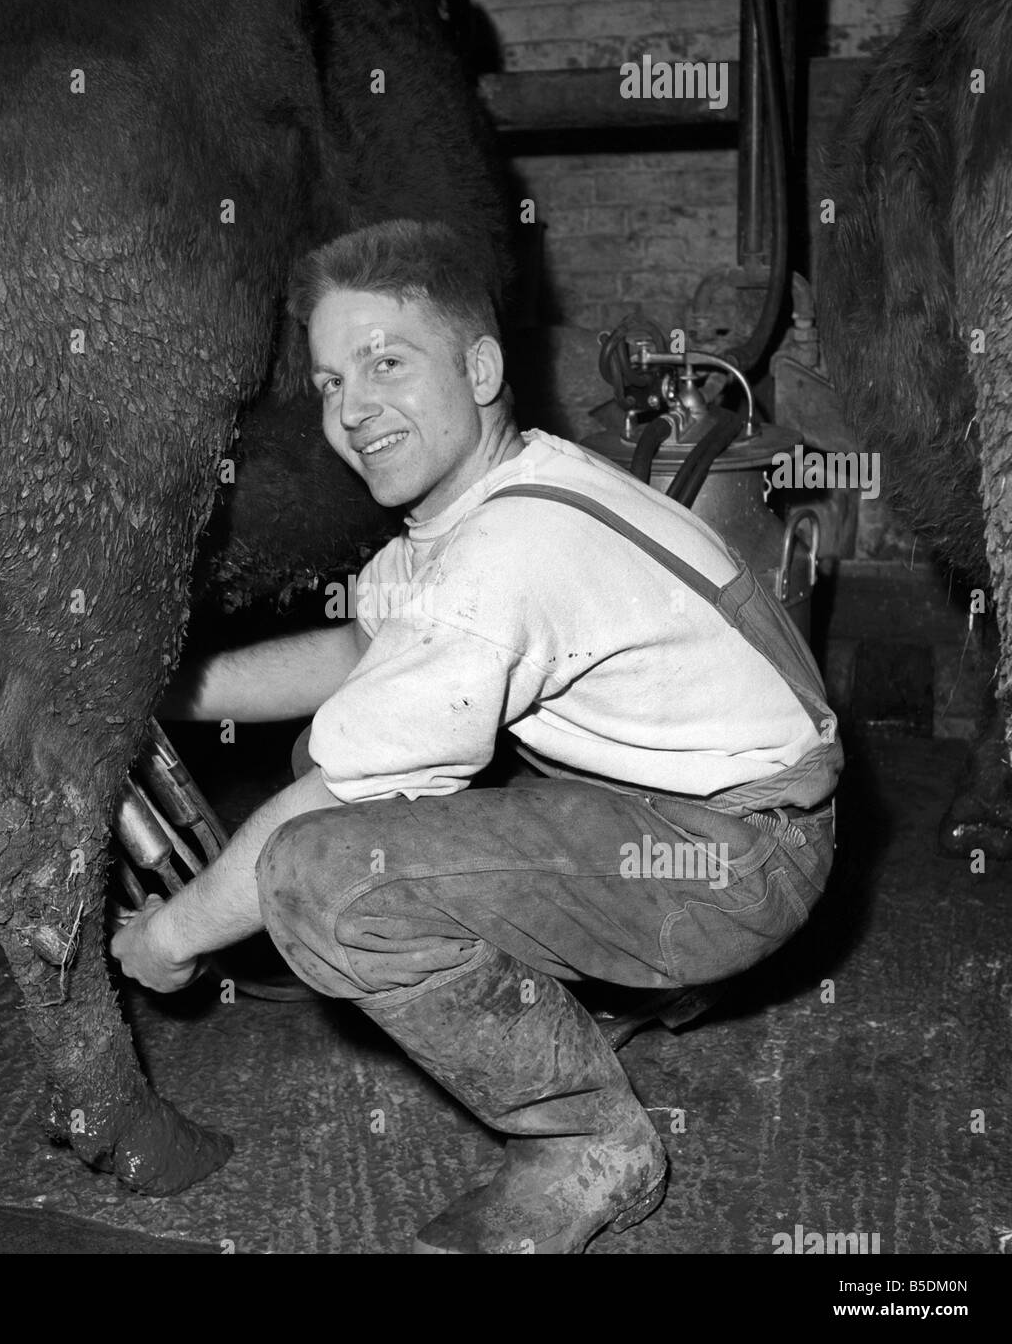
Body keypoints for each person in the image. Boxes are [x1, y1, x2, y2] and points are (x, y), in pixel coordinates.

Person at [111, 218, 841, 1254]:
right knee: (331, 751)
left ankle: (588, 1141)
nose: (353, 409)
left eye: (386, 363)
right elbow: (366, 648)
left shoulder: (503, 551)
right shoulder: (491, 490)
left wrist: (172, 938)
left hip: (741, 851)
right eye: (328, 383)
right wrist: (167, 691)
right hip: (689, 802)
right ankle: (629, 981)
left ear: (483, 366)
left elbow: (335, 800)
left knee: (320, 876)